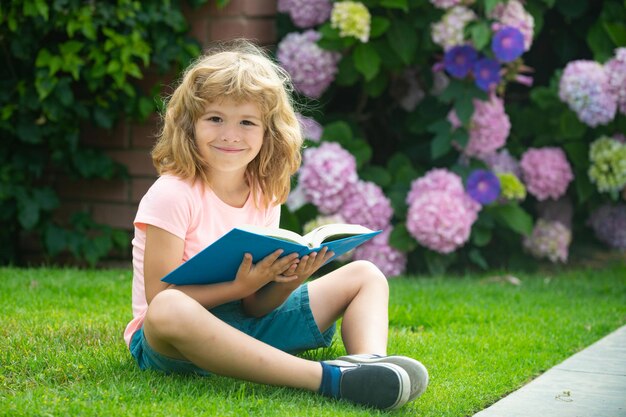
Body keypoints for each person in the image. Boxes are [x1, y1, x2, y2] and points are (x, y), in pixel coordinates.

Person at [123, 39, 429, 410]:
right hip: (176, 339)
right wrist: (237, 285)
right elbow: (160, 297)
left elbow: (255, 307)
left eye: (247, 122)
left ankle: (370, 367)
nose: (230, 135)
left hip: (244, 325)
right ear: (190, 125)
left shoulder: (264, 193)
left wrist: (292, 277)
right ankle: (330, 380)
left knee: (365, 274)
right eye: (215, 118)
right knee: (169, 308)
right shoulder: (173, 193)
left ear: (269, 132)